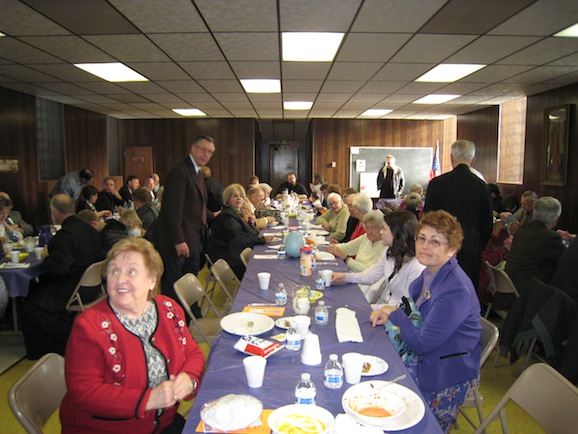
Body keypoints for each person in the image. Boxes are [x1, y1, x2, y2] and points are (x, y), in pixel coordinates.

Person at [60, 238, 205, 433]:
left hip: (163, 423)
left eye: (132, 271)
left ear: (152, 279)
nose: (120, 280)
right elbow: (84, 392)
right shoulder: (89, 326)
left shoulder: (168, 309)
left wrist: (189, 379)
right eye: (114, 271)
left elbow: (193, 353)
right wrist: (150, 399)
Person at [370, 210, 481, 432]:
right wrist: (393, 311)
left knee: (390, 413)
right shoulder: (431, 271)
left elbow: (422, 345)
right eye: (421, 238)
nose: (425, 246)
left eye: (435, 242)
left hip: (444, 371)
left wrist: (395, 313)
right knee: (374, 380)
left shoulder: (455, 289)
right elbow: (414, 310)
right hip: (430, 355)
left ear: (451, 250)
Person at [22, 194, 104, 359]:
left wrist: (46, 258)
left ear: (55, 212)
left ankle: (55, 347)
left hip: (73, 289)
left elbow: (59, 268)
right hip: (93, 287)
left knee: (29, 306)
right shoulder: (90, 228)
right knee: (37, 289)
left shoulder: (65, 235)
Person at [149, 135, 215, 317]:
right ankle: (172, 323)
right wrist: (179, 240)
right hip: (177, 241)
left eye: (210, 152)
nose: (206, 154)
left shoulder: (197, 172)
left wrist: (212, 216)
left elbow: (196, 205)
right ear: (193, 149)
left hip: (193, 239)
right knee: (174, 286)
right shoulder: (180, 171)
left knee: (189, 280)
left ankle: (190, 316)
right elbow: (173, 209)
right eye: (203, 149)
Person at [424, 139, 493, 290]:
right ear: (473, 160)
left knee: (440, 286)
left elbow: (427, 218)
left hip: (442, 244)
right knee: (466, 288)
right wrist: (477, 245)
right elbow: (487, 224)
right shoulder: (481, 186)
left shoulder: (437, 183)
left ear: (451, 158)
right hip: (470, 246)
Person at [206, 184, 273, 279]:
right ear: (227, 199)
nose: (239, 198)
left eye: (241, 196)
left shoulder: (236, 213)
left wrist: (251, 224)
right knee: (263, 267)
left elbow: (246, 233)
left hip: (234, 252)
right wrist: (262, 240)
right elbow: (240, 238)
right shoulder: (227, 217)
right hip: (227, 258)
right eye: (234, 196)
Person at [504, 196, 566, 295]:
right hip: (527, 295)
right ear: (556, 218)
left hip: (507, 289)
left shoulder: (523, 229)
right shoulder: (550, 237)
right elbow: (565, 260)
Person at [329, 210, 388, 301]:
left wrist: (346, 259)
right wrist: (329, 247)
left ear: (382, 229)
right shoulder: (365, 237)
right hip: (353, 277)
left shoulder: (385, 247)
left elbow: (368, 273)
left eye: (374, 228)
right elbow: (346, 247)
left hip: (363, 286)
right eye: (367, 228)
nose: (369, 231)